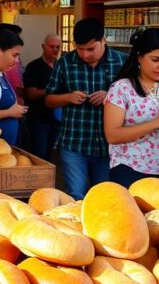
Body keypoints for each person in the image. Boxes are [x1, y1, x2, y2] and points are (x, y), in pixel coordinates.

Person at [45, 18, 126, 200]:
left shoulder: (121, 62)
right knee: (74, 196)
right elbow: (49, 100)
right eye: (80, 49)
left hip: (109, 146)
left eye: (90, 49)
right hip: (74, 143)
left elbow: (136, 100)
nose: (85, 54)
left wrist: (110, 96)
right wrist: (68, 97)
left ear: (103, 40)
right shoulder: (66, 63)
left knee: (105, 197)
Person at [103, 28, 159, 187]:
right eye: (156, 59)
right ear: (139, 57)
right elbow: (112, 135)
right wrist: (156, 122)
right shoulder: (121, 88)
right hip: (130, 170)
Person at [24, 33, 62, 160]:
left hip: (57, 119)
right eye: (52, 47)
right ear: (43, 47)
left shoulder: (61, 66)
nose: (55, 50)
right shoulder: (33, 67)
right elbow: (31, 94)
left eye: (58, 47)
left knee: (50, 154)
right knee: (38, 154)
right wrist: (52, 90)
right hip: (38, 119)